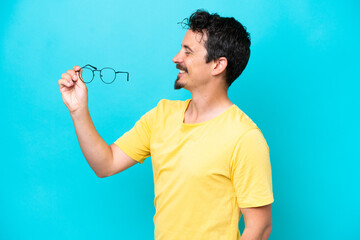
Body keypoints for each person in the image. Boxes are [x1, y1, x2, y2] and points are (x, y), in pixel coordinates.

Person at [58, 9, 274, 240]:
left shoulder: (244, 137)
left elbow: (259, 228)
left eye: (188, 52)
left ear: (218, 65)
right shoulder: (161, 115)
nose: (176, 58)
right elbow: (106, 164)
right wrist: (78, 110)